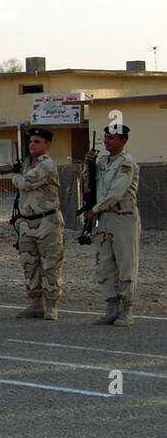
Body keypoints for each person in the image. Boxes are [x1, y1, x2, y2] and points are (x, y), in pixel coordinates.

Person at [84, 122, 140, 327]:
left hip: (122, 217)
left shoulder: (126, 163)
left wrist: (95, 210)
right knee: (104, 264)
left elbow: (117, 192)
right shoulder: (102, 162)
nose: (107, 141)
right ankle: (111, 308)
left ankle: (127, 310)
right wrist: (87, 165)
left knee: (126, 263)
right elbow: (90, 186)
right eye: (105, 137)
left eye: (111, 138)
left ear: (123, 140)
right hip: (103, 218)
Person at [14, 127, 64, 320]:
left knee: (50, 264)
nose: (32, 145)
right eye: (31, 141)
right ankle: (36, 302)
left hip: (47, 221)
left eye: (36, 141)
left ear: (47, 145)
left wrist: (15, 176)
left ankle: (52, 304)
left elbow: (25, 183)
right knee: (30, 264)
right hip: (27, 223)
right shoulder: (28, 164)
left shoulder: (47, 164)